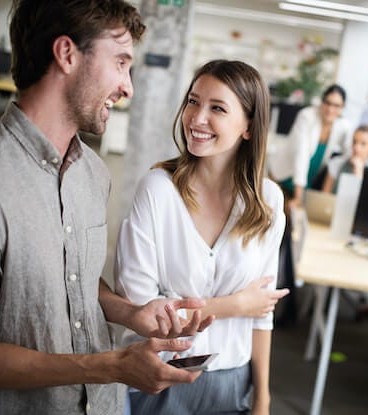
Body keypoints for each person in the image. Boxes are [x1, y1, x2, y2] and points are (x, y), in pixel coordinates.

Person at [0, 1, 214, 414]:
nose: (128, 87)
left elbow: (75, 279)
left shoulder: (92, 172)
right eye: (121, 62)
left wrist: (132, 313)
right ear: (67, 54)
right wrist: (111, 366)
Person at [115, 59, 288, 414]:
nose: (196, 118)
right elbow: (144, 309)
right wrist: (236, 304)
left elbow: (262, 314)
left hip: (232, 384)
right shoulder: (157, 191)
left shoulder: (268, 201)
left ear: (249, 128)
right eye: (193, 101)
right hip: (158, 380)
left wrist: (262, 399)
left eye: (217, 108)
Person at [275, 84, 352, 206]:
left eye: (336, 105)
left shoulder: (343, 126)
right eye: (327, 103)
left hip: (307, 182)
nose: (330, 109)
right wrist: (298, 196)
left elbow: (349, 153)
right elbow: (302, 154)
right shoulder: (307, 116)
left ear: (342, 107)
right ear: (322, 102)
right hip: (286, 176)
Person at [322, 125, 368, 193]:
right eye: (354, 142)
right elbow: (325, 195)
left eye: (363, 144)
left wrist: (358, 172)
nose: (356, 148)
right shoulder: (336, 163)